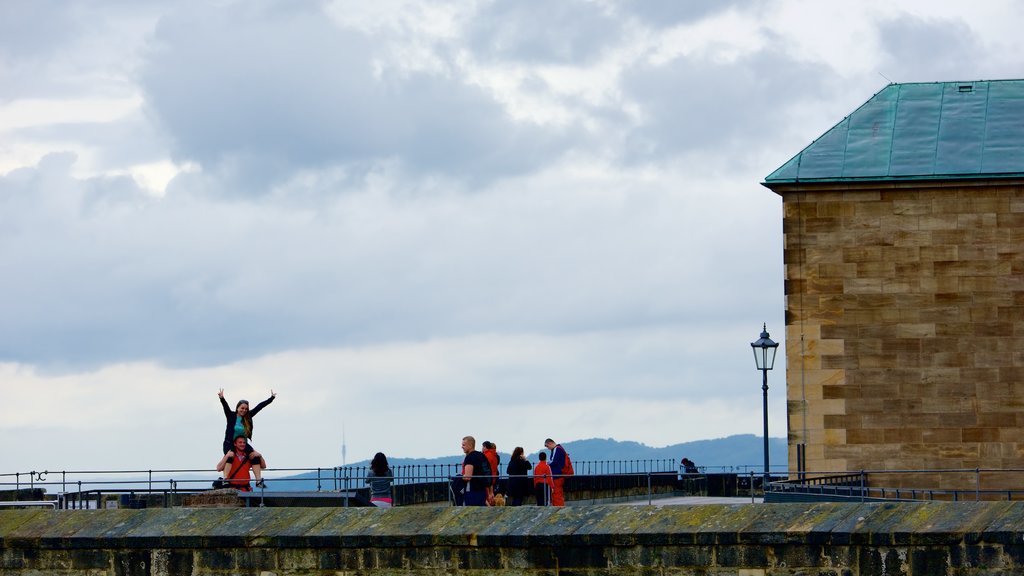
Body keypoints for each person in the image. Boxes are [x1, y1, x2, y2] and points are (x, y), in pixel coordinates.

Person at [218, 389, 275, 469]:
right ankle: (226, 480)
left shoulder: (248, 416)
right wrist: (222, 398)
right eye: (242, 408)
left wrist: (271, 398)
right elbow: (225, 406)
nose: (244, 410)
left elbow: (259, 407)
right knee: (230, 457)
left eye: (246, 409)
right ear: (237, 408)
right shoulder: (231, 416)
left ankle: (258, 481)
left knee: (255, 457)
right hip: (229, 443)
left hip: (243, 444)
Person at [460, 436, 491, 506]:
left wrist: (459, 477)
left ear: (470, 445)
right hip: (482, 489)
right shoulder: (481, 455)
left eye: (464, 445)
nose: (462, 447)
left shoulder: (469, 457)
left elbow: (468, 477)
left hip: (472, 490)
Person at [545, 438, 569, 506]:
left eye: (547, 446)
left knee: (556, 494)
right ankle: (558, 507)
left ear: (550, 443)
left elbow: (553, 461)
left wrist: (546, 464)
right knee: (557, 494)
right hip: (559, 475)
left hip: (557, 475)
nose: (548, 448)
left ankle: (558, 508)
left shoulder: (556, 449)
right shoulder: (559, 449)